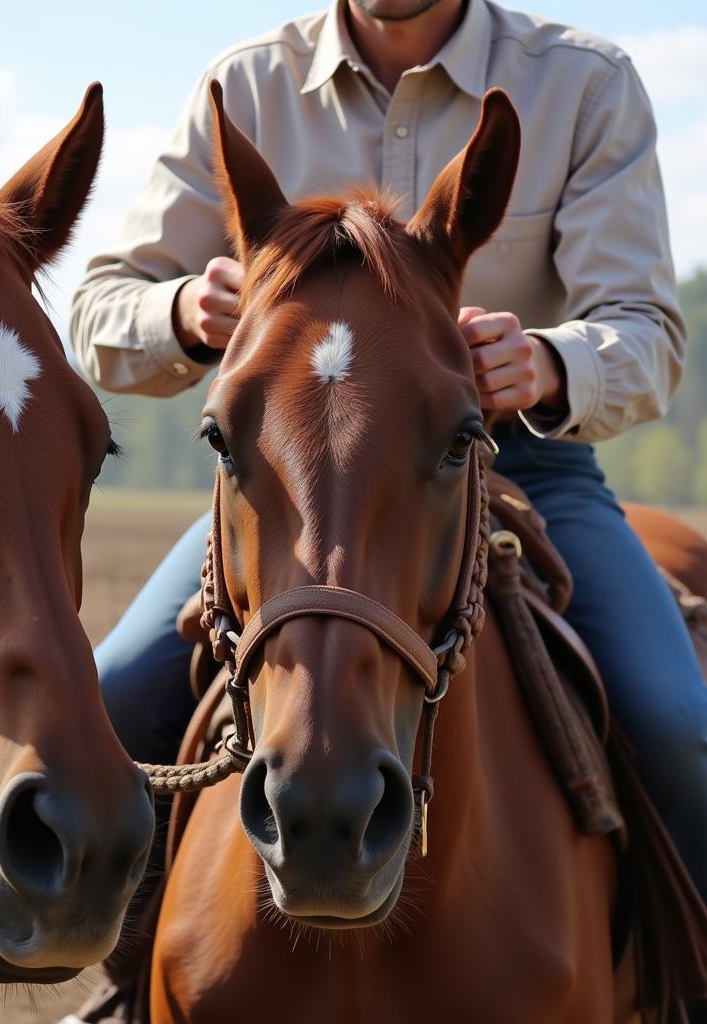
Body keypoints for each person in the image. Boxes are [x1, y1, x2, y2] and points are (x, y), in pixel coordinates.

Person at [68, 0, 707, 1016]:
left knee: (676, 724)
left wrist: (545, 360)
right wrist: (183, 311)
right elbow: (98, 305)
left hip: (521, 464)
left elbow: (646, 329)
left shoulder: (583, 82)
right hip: (285, 484)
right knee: (107, 705)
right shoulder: (246, 87)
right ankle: (123, 987)